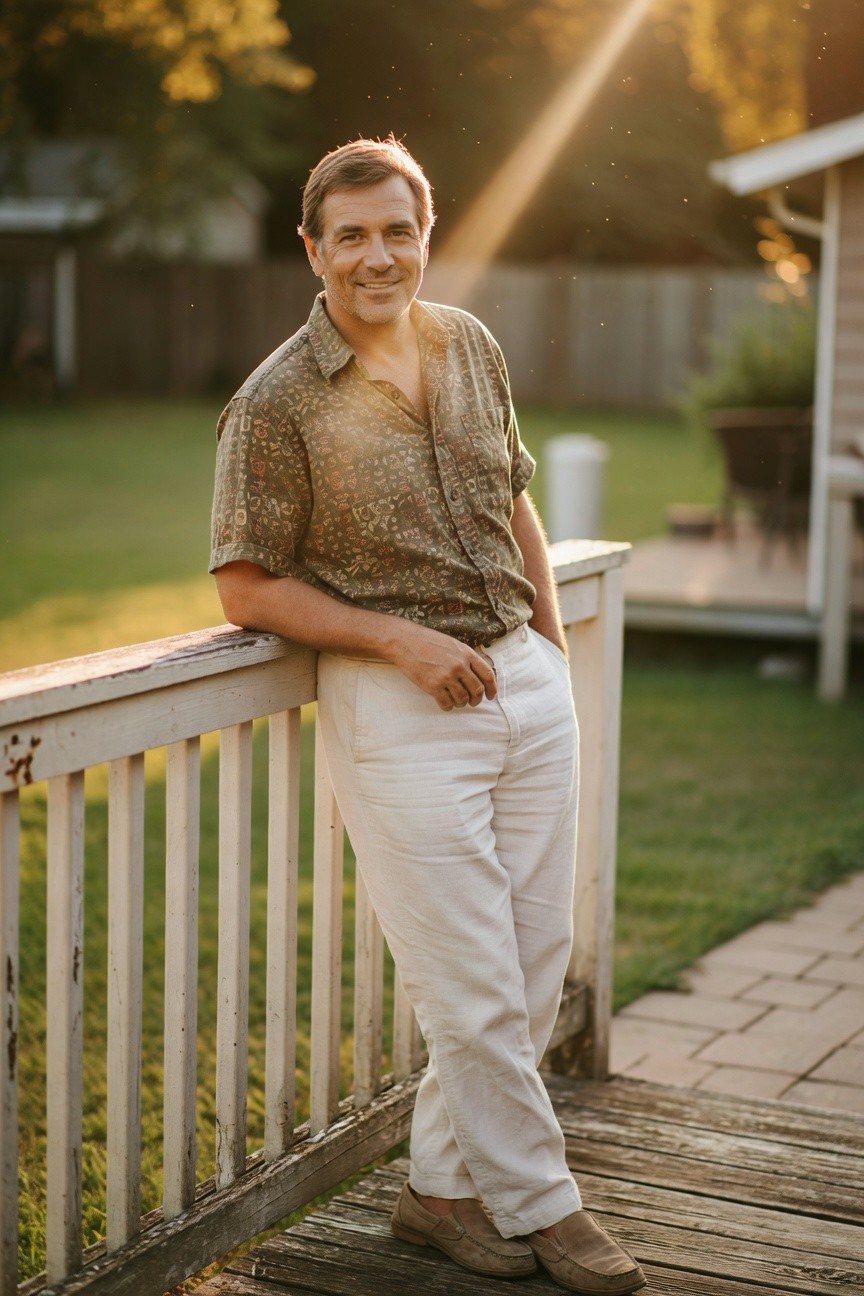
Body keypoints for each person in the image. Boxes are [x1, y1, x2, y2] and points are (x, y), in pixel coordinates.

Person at [210, 136, 644, 1296]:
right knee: (472, 983)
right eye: (350, 234)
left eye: (396, 229)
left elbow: (515, 497)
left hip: (524, 681)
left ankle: (438, 1194)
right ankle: (550, 1208)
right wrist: (399, 639)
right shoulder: (276, 402)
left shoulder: (468, 345)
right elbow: (246, 584)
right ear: (312, 249)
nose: (376, 254)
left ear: (426, 235)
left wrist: (546, 643)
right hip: (397, 709)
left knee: (534, 959)